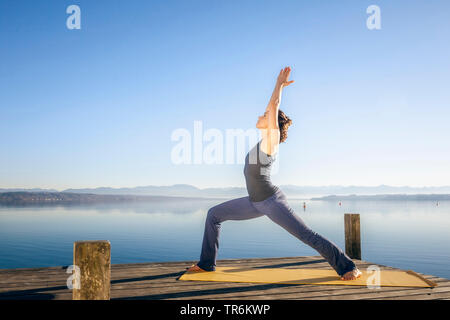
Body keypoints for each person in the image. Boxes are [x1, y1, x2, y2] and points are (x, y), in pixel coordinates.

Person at [187, 67, 361, 280]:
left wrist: (279, 84)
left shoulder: (272, 141)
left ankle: (348, 267)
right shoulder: (262, 143)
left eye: (266, 115)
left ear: (272, 124)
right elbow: (271, 108)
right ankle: (206, 264)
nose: (261, 114)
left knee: (307, 235)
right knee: (213, 215)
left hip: (271, 201)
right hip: (254, 202)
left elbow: (274, 105)